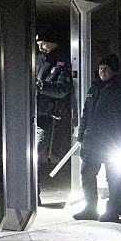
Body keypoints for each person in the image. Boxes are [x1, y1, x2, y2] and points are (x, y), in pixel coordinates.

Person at [73, 53, 121, 222]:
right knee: (86, 173)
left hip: (112, 141)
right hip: (91, 140)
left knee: (114, 177)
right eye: (101, 68)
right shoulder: (94, 89)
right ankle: (90, 208)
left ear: (113, 71)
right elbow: (86, 113)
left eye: (106, 68)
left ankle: (113, 210)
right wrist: (81, 134)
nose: (102, 71)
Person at [35, 25, 73, 165]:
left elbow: (62, 89)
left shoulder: (62, 61)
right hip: (36, 113)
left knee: (37, 152)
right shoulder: (38, 59)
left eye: (43, 44)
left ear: (53, 42)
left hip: (48, 115)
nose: (41, 48)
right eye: (38, 45)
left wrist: (39, 86)